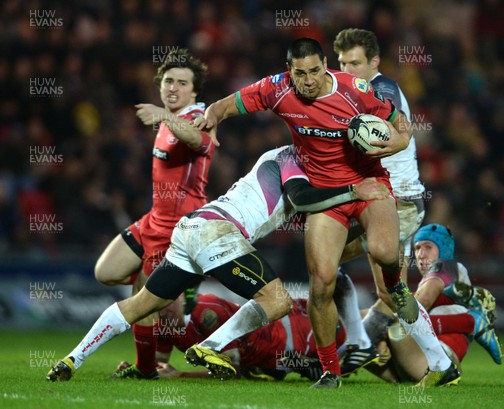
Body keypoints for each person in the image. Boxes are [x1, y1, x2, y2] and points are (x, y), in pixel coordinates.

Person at [195, 37, 457, 389]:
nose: (308, 80)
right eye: (300, 73)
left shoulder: (356, 90)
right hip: (326, 197)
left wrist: (395, 143)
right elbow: (234, 102)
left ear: (324, 66)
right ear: (290, 71)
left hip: (370, 185)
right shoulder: (278, 88)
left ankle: (402, 310)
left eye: (315, 71)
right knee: (321, 285)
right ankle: (331, 371)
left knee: (384, 260)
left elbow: (402, 127)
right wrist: (212, 114)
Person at [46, 145, 389, 382]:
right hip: (218, 233)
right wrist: (354, 191)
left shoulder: (304, 165)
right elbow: (301, 198)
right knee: (278, 300)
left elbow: (314, 208)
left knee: (140, 305)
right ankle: (209, 347)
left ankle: (72, 358)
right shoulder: (292, 157)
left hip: (192, 229)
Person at [93, 49, 215, 379]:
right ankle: (170, 290)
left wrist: (164, 115)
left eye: (181, 83)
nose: (173, 87)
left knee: (146, 303)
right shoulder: (166, 119)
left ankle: (145, 369)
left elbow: (198, 140)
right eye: (168, 81)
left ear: (194, 91)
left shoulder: (199, 118)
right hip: (152, 219)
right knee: (106, 273)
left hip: (177, 230)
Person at [332, 28, 427, 376]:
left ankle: (359, 346)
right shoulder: (348, 93)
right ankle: (365, 347)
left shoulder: (380, 89)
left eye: (355, 63)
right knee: (387, 293)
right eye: (341, 62)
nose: (347, 69)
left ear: (374, 62)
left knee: (328, 261)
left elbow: (391, 119)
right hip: (394, 200)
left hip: (397, 201)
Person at [366, 224, 503, 384]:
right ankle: (472, 322)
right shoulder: (437, 279)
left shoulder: (446, 265)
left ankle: (352, 349)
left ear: (444, 249)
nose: (421, 254)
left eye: (428, 247)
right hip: (418, 362)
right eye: (417, 248)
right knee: (382, 313)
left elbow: (421, 303)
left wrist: (381, 333)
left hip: (440, 358)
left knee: (392, 309)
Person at [115, 293, 347, 381]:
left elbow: (231, 370)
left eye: (166, 304)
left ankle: (373, 322)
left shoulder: (207, 312)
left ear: (180, 297)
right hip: (264, 357)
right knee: (267, 371)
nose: (162, 311)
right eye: (157, 306)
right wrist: (140, 368)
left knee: (349, 348)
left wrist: (180, 375)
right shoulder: (165, 325)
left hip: (292, 336)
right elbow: (158, 366)